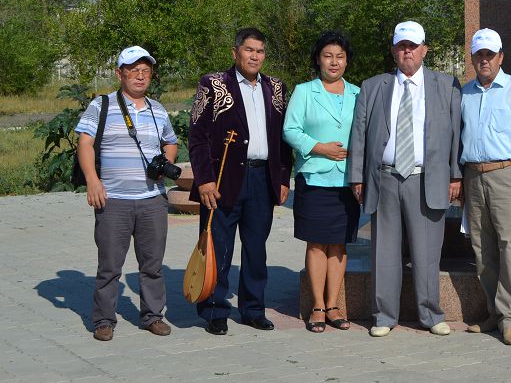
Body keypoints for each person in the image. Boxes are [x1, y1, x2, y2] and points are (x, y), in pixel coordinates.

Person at [347, 21, 462, 337]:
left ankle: (430, 314)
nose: (407, 51)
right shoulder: (374, 86)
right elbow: (359, 134)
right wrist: (357, 176)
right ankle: (384, 316)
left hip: (426, 179)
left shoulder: (446, 85)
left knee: (427, 253)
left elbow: (455, 135)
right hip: (385, 179)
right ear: (394, 50)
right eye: (401, 46)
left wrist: (455, 174)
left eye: (413, 45)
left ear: (424, 49)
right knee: (384, 250)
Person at [189, 27, 293, 336]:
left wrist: (283, 177)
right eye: (249, 50)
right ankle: (214, 310)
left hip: (262, 178)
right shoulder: (214, 84)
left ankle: (252, 309)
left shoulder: (276, 87)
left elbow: (283, 139)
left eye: (260, 51)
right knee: (219, 246)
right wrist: (205, 179)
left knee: (256, 248)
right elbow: (197, 136)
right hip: (223, 180)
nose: (255, 56)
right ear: (236, 52)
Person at [76, 46, 178, 341]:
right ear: (120, 73)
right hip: (114, 200)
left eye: (145, 71)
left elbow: (170, 142)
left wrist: (165, 162)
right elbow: (85, 143)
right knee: (109, 266)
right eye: (133, 70)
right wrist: (93, 181)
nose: (140, 76)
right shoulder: (102, 105)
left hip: (152, 201)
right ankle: (104, 320)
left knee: (152, 265)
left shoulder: (157, 109)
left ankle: (153, 316)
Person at [460, 28, 511, 346]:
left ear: (501, 57)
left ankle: (510, 316)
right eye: (479, 54)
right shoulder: (465, 93)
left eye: (489, 54)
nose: (484, 60)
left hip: (507, 173)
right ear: (472, 58)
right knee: (482, 248)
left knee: (509, 245)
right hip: (474, 176)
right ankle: (495, 311)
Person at [282, 31, 361, 333]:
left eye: (340, 56)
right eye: (328, 56)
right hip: (314, 177)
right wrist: (319, 147)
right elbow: (290, 130)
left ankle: (334, 305)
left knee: (339, 245)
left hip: (347, 181)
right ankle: (316, 306)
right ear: (318, 59)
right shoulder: (305, 91)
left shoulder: (357, 93)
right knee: (317, 244)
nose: (334, 61)